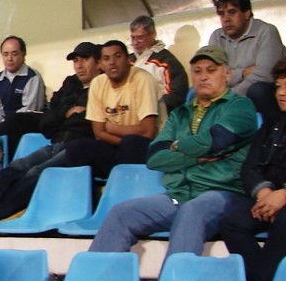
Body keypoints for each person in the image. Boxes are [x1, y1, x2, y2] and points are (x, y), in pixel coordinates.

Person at [90, 45, 258, 257]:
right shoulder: (180, 114)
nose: (204, 77)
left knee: (193, 211)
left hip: (223, 193)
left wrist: (178, 146)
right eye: (197, 71)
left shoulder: (240, 107)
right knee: (121, 213)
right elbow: (155, 157)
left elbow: (219, 139)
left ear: (227, 73)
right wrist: (201, 156)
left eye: (211, 70)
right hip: (180, 194)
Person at [0, 42, 103, 221]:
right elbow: (47, 120)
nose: (79, 65)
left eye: (85, 60)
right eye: (76, 61)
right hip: (58, 142)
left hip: (80, 147)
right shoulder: (70, 84)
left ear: (98, 63)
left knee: (37, 172)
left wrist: (62, 117)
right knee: (19, 164)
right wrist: (67, 113)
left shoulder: (103, 87)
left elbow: (86, 124)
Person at [219, 56, 286, 281]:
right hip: (268, 197)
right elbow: (250, 167)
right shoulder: (273, 124)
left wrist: (283, 196)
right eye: (279, 87)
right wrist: (265, 192)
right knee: (232, 222)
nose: (282, 93)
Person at [63, 40, 162, 179]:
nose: (112, 62)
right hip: (116, 146)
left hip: (147, 147)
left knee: (131, 143)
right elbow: (98, 133)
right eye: (106, 58)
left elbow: (148, 131)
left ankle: (129, 187)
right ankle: (89, 197)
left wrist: (111, 128)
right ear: (101, 64)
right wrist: (120, 140)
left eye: (117, 56)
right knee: (76, 147)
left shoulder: (142, 79)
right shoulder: (98, 83)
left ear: (128, 60)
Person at [208, 0, 285, 123]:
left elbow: (265, 75)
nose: (226, 19)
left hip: (261, 91)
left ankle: (274, 132)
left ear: (247, 13)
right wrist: (243, 72)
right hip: (232, 91)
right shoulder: (217, 36)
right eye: (221, 14)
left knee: (258, 90)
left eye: (232, 12)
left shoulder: (266, 31)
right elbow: (213, 75)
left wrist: (230, 96)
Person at [0, 35, 47, 142]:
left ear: (23, 54)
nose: (9, 58)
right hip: (4, 125)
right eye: (5, 54)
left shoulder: (32, 77)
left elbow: (30, 110)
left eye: (14, 54)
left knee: (12, 123)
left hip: (27, 125)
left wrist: (4, 123)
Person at [129, 14, 188, 112]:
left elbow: (177, 94)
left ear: (152, 34)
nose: (135, 43)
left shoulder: (167, 61)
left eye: (139, 38)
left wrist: (151, 107)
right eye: (132, 38)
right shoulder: (128, 60)